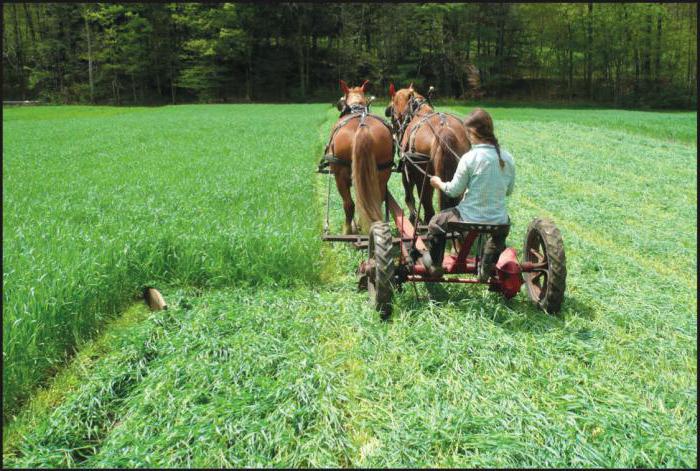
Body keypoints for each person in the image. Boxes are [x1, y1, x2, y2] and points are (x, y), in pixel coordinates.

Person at [423, 108, 515, 281]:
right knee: (501, 229)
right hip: (498, 220)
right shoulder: (507, 157)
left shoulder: (470, 158)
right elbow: (508, 190)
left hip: (468, 217)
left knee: (436, 222)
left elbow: (453, 191)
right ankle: (487, 264)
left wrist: (438, 183)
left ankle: (435, 264)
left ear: (473, 132)